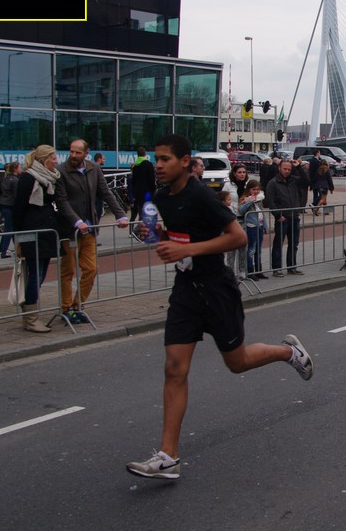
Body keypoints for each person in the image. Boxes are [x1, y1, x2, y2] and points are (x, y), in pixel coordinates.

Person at [126, 134, 312, 481]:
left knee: (237, 362)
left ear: (184, 161)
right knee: (174, 368)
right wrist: (157, 235)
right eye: (156, 158)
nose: (158, 165)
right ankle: (168, 457)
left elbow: (237, 237)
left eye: (165, 159)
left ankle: (288, 352)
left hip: (216, 289)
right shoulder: (162, 197)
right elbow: (178, 238)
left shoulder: (200, 195)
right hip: (186, 290)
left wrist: (186, 250)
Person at [55, 139, 129, 324]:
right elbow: (62, 201)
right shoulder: (61, 171)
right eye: (71, 151)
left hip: (89, 229)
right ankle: (66, 309)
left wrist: (120, 215)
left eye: (78, 152)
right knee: (68, 271)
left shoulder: (93, 169)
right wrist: (77, 221)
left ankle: (78, 305)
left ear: (86, 154)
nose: (73, 155)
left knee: (91, 269)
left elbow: (105, 192)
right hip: (70, 230)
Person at [12, 146, 61, 333]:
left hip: (46, 233)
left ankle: (30, 316)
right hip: (32, 234)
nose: (56, 161)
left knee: (40, 275)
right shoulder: (28, 178)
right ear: (44, 159)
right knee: (35, 275)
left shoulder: (50, 178)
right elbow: (18, 209)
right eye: (53, 158)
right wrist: (17, 238)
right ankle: (30, 319)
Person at [264, 159, 309, 276]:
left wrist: (299, 167)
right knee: (278, 244)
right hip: (282, 218)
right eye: (284, 169)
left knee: (294, 244)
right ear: (279, 168)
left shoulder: (294, 180)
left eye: (289, 169)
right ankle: (277, 269)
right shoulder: (273, 183)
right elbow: (270, 201)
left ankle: (292, 267)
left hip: (294, 217)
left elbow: (306, 181)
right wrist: (278, 215)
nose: (287, 171)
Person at [238, 179, 269, 279]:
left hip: (259, 226)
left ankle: (259, 271)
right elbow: (241, 211)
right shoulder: (245, 199)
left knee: (258, 250)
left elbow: (261, 213)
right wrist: (249, 202)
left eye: (257, 189)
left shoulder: (258, 199)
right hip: (251, 227)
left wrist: (265, 226)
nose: (256, 191)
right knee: (251, 249)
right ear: (249, 189)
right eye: (253, 189)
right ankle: (251, 272)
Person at [0, 161, 20, 258]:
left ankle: (15, 248)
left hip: (3, 205)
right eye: (19, 167)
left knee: (10, 228)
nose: (21, 169)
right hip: (10, 206)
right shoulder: (15, 180)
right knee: (9, 229)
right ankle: (4, 251)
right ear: (15, 169)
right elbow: (16, 195)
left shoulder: (4, 179)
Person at [129, 146, 156, 224]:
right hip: (147, 191)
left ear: (137, 155)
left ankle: (136, 227)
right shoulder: (148, 164)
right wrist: (153, 190)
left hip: (138, 192)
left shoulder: (135, 166)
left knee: (138, 210)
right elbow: (152, 179)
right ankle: (144, 226)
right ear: (145, 154)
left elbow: (133, 180)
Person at [92, 152, 106, 222]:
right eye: (103, 159)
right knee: (96, 217)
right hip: (97, 197)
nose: (104, 160)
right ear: (99, 159)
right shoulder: (96, 170)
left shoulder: (94, 169)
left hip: (97, 196)